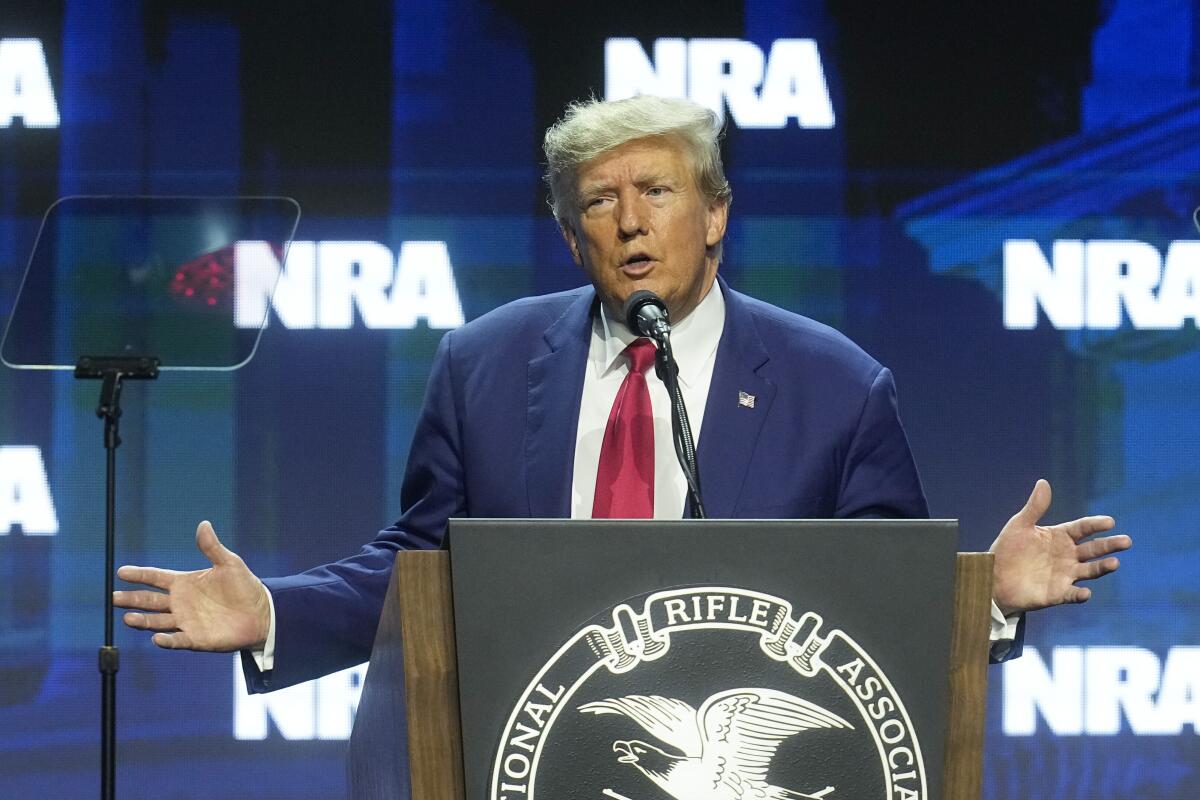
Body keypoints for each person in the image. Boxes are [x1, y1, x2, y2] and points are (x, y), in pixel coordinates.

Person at [114, 95, 1131, 692]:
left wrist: (983, 599)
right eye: (600, 202)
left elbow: (874, 597)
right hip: (534, 752)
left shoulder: (837, 386)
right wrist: (276, 613)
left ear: (718, 215)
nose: (631, 222)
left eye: (658, 193)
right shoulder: (487, 363)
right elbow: (425, 571)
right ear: (572, 237)